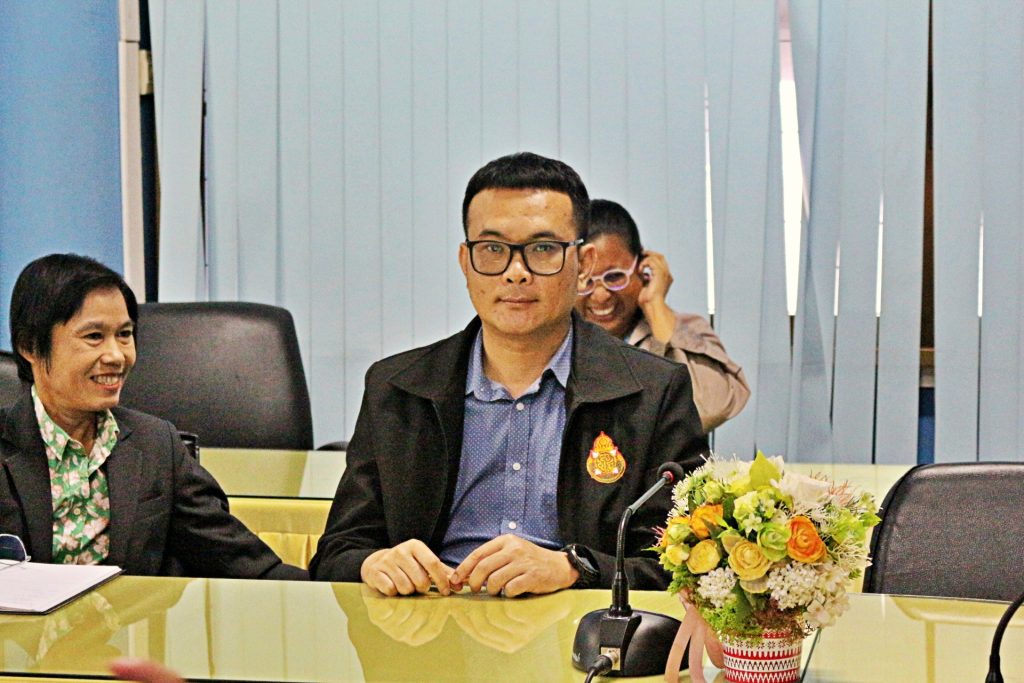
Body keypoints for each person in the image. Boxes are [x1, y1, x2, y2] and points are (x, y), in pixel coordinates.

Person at [310, 152, 708, 596]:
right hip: (429, 624)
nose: (516, 273)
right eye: (493, 250)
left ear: (584, 264)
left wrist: (575, 568)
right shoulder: (397, 388)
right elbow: (336, 553)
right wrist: (374, 564)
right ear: (465, 262)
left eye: (543, 249)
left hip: (576, 628)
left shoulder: (653, 392)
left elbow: (688, 566)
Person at [0, 254, 305, 579]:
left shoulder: (156, 444)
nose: (116, 355)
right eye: (94, 337)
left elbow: (239, 559)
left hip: (130, 614)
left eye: (124, 334)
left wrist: (322, 593)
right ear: (30, 346)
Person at [576, 199, 750, 433]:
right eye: (585, 281)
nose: (600, 296)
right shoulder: (556, 342)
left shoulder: (686, 329)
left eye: (615, 277)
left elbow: (711, 407)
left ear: (643, 268)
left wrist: (655, 307)